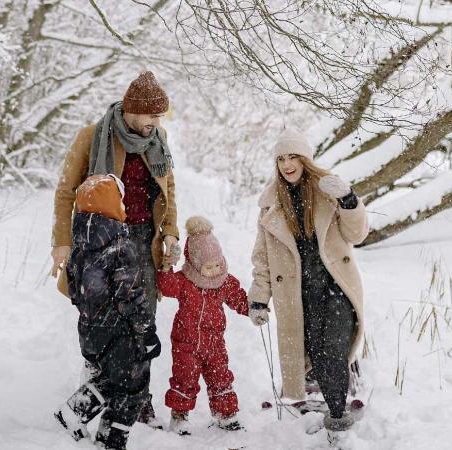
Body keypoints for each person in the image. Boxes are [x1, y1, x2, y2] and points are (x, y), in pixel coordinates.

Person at [49, 71, 180, 426]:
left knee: (142, 321)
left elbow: (168, 190)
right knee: (103, 322)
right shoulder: (93, 137)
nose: (156, 122)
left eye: (159, 116)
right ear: (133, 111)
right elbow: (66, 191)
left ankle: (139, 401)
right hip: (100, 241)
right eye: (151, 115)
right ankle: (97, 390)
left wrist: (170, 232)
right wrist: (61, 242)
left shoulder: (159, 139)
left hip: (145, 241)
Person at [247, 129, 369, 445]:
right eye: (281, 159)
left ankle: (338, 423)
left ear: (305, 160)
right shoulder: (271, 203)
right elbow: (263, 258)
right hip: (300, 296)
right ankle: (336, 388)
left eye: (293, 157)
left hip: (336, 287)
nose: (287, 164)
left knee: (330, 351)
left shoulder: (328, 189)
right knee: (316, 353)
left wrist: (349, 200)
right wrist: (259, 298)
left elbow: (357, 235)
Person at [53, 175, 161, 450]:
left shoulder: (80, 245)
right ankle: (107, 436)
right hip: (120, 329)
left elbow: (74, 291)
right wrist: (146, 330)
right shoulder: (120, 246)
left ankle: (93, 426)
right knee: (132, 384)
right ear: (114, 206)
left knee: (112, 380)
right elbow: (130, 295)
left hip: (89, 328)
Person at [156, 216, 249, 436]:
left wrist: (254, 307)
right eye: (209, 266)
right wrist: (167, 265)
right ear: (196, 265)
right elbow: (166, 285)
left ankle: (225, 414)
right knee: (184, 379)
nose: (215, 270)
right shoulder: (185, 281)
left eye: (218, 263)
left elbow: (238, 298)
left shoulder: (224, 281)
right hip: (186, 344)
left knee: (221, 377)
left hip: (215, 343)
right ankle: (179, 418)